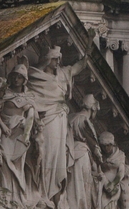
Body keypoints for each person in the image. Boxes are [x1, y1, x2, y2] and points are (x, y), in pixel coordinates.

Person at [26, 42, 86, 207]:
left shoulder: (63, 74)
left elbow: (79, 67)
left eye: (59, 59)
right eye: (55, 59)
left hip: (60, 120)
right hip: (47, 120)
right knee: (46, 154)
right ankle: (43, 190)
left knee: (58, 158)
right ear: (47, 59)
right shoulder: (35, 76)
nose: (58, 62)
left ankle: (53, 193)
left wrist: (88, 45)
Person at [0, 64, 35, 205]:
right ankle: (5, 191)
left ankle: (17, 196)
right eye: (14, 76)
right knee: (4, 159)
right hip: (5, 132)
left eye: (20, 77)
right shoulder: (4, 93)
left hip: (19, 135)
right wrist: (2, 126)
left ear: (24, 79)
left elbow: (31, 115)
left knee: (18, 165)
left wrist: (26, 135)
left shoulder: (27, 97)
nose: (16, 79)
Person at [67, 94, 102, 209]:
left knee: (77, 185)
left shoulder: (72, 117)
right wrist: (98, 154)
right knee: (80, 187)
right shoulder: (83, 119)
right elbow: (91, 142)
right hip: (81, 155)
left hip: (74, 153)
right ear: (93, 108)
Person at [97, 132, 129, 209]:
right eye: (104, 146)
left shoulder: (119, 155)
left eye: (108, 145)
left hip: (112, 186)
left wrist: (113, 183)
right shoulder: (99, 152)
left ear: (112, 144)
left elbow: (121, 172)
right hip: (101, 181)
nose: (106, 148)